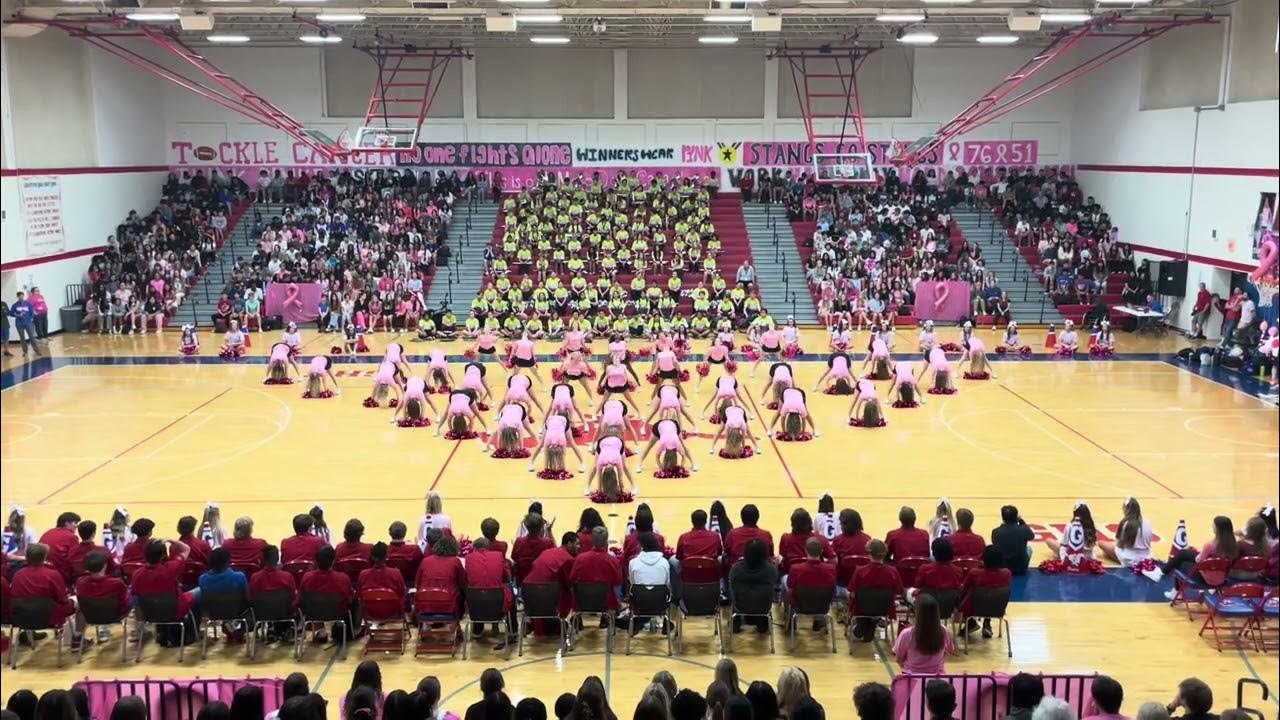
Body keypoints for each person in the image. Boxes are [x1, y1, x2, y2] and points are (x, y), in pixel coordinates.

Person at [10, 544, 78, 644]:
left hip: (22, 618)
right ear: (45, 557)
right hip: (50, 618)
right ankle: (77, 640)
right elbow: (63, 599)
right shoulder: (52, 574)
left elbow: (14, 596)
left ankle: (29, 633)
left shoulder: (17, 575)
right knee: (77, 601)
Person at [847, 539, 903, 641]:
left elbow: (852, 591)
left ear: (868, 553)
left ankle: (864, 623)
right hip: (883, 608)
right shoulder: (893, 571)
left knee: (853, 595)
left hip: (862, 607)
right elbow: (898, 591)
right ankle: (874, 621)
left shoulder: (860, 571)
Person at [299, 546, 354, 642]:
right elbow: (348, 600)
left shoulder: (307, 577)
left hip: (312, 614)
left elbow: (301, 598)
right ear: (333, 560)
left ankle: (320, 630)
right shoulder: (343, 578)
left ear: (316, 561)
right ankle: (344, 630)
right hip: (337, 614)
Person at [893, 594, 953, 673]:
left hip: (911, 679)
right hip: (937, 678)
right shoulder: (944, 631)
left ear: (917, 612)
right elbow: (949, 650)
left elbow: (899, 658)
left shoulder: (906, 634)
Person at [728, 539, 778, 633]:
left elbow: (731, 588)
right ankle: (762, 622)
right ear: (764, 554)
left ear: (745, 553)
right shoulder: (771, 570)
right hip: (763, 607)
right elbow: (774, 586)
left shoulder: (736, 568)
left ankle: (736, 621)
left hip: (740, 607)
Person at [570, 527, 623, 612]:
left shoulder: (580, 559)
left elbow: (572, 579)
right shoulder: (613, 561)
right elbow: (618, 582)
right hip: (606, 603)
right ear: (606, 542)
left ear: (592, 541)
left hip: (582, 601)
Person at [992, 505, 1034, 575]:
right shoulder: (1024, 529)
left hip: (1003, 567)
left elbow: (995, 543)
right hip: (1021, 567)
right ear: (1016, 517)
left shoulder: (996, 531)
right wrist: (1021, 521)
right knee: (1029, 548)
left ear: (1003, 517)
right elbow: (1031, 536)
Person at [8, 292, 42, 357]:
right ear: (17, 297)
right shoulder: (15, 305)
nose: (21, 297)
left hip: (28, 323)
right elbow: (11, 313)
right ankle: (25, 351)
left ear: (23, 296)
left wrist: (31, 319)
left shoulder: (28, 303)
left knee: (31, 337)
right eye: (20, 296)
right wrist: (18, 315)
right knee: (22, 338)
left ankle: (37, 350)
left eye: (22, 296)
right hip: (19, 324)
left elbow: (32, 312)